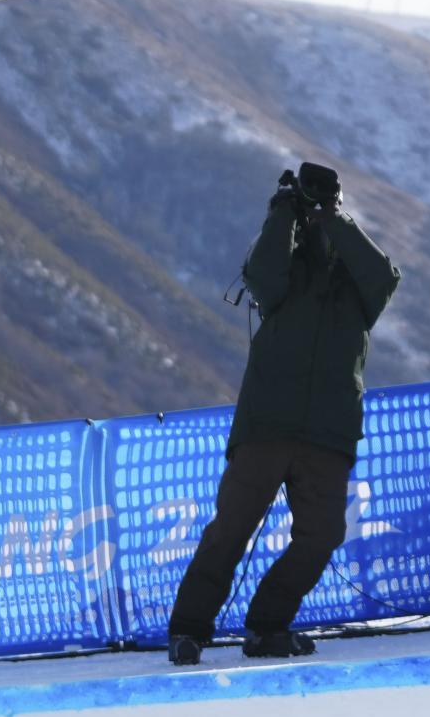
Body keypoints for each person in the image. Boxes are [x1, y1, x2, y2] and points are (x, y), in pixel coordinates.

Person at [167, 163, 400, 665]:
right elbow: (261, 273)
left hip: (327, 433)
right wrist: (282, 212)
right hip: (268, 425)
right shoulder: (283, 278)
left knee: (322, 535)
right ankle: (188, 630)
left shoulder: (361, 294)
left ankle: (268, 624)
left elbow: (383, 274)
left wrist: (332, 215)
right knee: (231, 529)